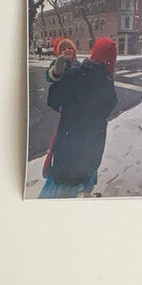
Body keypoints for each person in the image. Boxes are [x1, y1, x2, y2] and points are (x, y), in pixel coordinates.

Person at [39, 37, 119, 197]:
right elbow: (110, 105)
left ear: (94, 53)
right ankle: (86, 196)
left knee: (60, 189)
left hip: (70, 144)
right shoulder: (107, 80)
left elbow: (53, 100)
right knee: (87, 172)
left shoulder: (76, 74)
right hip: (92, 145)